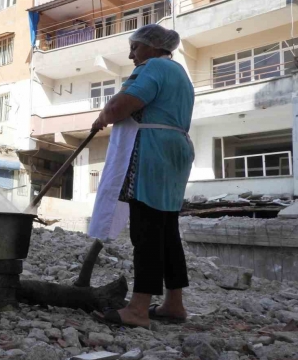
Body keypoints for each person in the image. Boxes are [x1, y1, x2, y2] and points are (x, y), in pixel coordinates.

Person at [88, 24, 195, 328]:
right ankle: (174, 304)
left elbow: (121, 105)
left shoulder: (153, 66)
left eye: (135, 47)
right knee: (166, 230)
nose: (131, 54)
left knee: (146, 230)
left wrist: (102, 117)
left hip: (153, 151)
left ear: (152, 47)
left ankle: (138, 308)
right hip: (175, 151)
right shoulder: (179, 73)